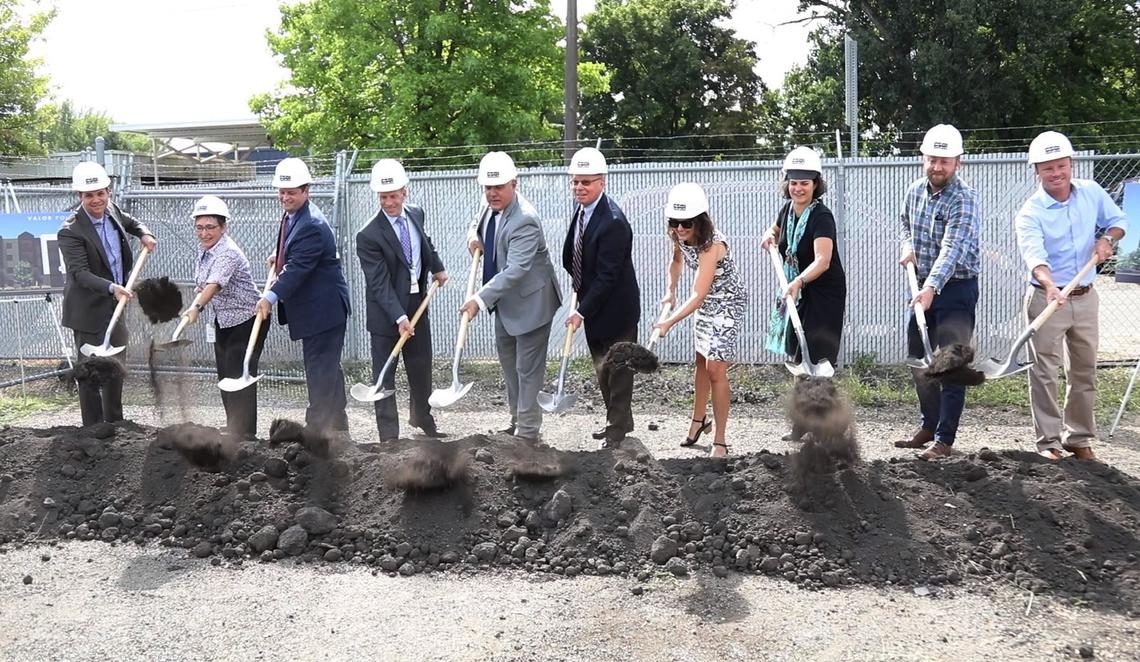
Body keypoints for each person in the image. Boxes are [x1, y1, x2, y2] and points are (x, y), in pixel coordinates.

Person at [1015, 130, 1127, 461]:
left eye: (1061, 166)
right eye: (1048, 168)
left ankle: (1078, 438)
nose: (1056, 173)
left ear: (1071, 164)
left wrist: (1108, 239)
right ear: (1036, 171)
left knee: (1084, 369)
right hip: (1046, 299)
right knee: (1045, 371)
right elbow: (1035, 257)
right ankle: (1049, 442)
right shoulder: (1030, 212)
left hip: (1086, 296)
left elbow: (1119, 220)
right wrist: (1049, 285)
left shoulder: (1092, 193)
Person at [892, 124, 982, 460]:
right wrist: (907, 246)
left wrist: (931, 287)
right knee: (919, 359)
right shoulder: (914, 191)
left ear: (958, 162)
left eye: (945, 160)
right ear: (923, 159)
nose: (937, 167)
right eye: (932, 159)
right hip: (923, 286)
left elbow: (952, 248)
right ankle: (928, 425)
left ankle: (944, 439)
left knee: (950, 364)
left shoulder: (965, 199)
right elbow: (904, 223)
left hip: (956, 288)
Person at [461, 151, 562, 442]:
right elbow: (477, 222)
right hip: (504, 302)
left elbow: (516, 270)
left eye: (499, 187)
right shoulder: (489, 203)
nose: (492, 193)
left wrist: (479, 300)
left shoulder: (525, 220)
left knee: (526, 369)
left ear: (514, 184)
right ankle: (517, 420)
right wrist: (472, 236)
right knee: (509, 364)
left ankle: (528, 435)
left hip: (531, 303)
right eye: (488, 188)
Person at [255, 157, 351, 437]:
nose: (285, 196)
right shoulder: (292, 215)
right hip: (320, 306)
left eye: (292, 192)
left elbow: (298, 269)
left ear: (306, 191)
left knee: (319, 368)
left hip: (323, 308)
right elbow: (295, 255)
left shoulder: (311, 224)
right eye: (282, 192)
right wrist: (281, 256)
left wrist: (270, 296)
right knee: (327, 366)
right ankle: (338, 424)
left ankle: (316, 431)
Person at [58, 161, 157, 427]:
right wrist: (112, 288)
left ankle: (114, 422)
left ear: (108, 192)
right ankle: (93, 427)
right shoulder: (70, 231)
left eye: (100, 193)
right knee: (90, 372)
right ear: (80, 196)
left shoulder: (112, 210)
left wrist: (144, 233)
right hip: (88, 310)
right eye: (89, 195)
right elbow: (80, 273)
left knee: (115, 368)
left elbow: (132, 221)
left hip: (116, 306)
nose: (96, 200)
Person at [356, 159, 449, 442]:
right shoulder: (368, 234)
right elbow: (379, 283)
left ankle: (421, 415)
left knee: (421, 364)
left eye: (393, 196)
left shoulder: (416, 214)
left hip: (416, 302)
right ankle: (389, 436)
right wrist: (399, 317)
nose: (388, 202)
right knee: (385, 374)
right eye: (383, 197)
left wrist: (438, 267)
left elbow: (425, 243)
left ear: (404, 192)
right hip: (387, 313)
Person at [653, 183, 748, 458]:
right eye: (675, 222)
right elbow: (676, 261)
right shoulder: (678, 234)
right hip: (706, 302)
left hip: (728, 303)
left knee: (716, 367)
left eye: (686, 223)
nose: (680, 229)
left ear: (700, 220)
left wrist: (669, 322)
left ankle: (720, 440)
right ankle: (699, 421)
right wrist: (670, 291)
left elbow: (698, 294)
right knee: (701, 361)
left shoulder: (712, 245)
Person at [760, 147, 847, 441]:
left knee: (817, 358)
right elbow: (775, 231)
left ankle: (829, 424)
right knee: (798, 356)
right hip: (799, 291)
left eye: (804, 183)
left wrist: (797, 280)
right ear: (787, 183)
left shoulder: (822, 217)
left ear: (816, 184)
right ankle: (802, 424)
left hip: (823, 294)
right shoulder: (787, 210)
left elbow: (823, 260)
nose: (798, 188)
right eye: (793, 182)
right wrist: (769, 236)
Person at [561, 147, 641, 448]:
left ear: (602, 183)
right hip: (592, 304)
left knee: (619, 371)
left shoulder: (614, 222)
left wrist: (582, 310)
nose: (580, 187)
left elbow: (608, 276)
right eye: (576, 182)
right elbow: (573, 254)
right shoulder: (582, 212)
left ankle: (616, 428)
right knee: (603, 370)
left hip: (616, 310)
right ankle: (618, 419)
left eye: (587, 182)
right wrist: (578, 283)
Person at [180, 195, 267, 438]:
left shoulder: (227, 252)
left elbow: (215, 284)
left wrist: (196, 308)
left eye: (210, 227)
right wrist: (200, 297)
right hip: (223, 320)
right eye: (199, 227)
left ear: (223, 226)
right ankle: (234, 427)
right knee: (225, 377)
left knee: (239, 378)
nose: (204, 233)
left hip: (247, 320)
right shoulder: (206, 251)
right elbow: (206, 283)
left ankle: (246, 435)